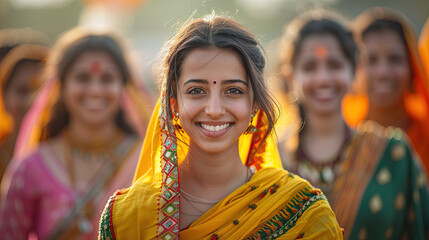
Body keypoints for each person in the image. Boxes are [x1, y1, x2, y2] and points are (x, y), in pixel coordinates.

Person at [99, 13, 343, 239]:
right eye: (196, 91)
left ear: (254, 105)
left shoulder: (303, 213)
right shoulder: (125, 218)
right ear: (173, 104)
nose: (214, 109)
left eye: (233, 91)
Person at [276, 9, 429, 240]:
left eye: (334, 64)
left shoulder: (394, 153)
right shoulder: (269, 163)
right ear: (290, 77)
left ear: (354, 71)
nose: (323, 78)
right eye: (310, 67)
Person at [0, 27, 152, 239]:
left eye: (107, 79)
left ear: (123, 88)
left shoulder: (147, 163)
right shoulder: (31, 168)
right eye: (82, 78)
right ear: (60, 88)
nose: (95, 90)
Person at [342, 7, 429, 173]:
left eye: (395, 59)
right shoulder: (341, 140)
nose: (383, 72)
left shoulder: (426, 135)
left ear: (412, 68)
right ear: (354, 70)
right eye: (371, 60)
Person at [0, 29, 50, 183]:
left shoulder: (63, 153)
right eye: (22, 91)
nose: (31, 100)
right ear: (4, 98)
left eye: (40, 90)